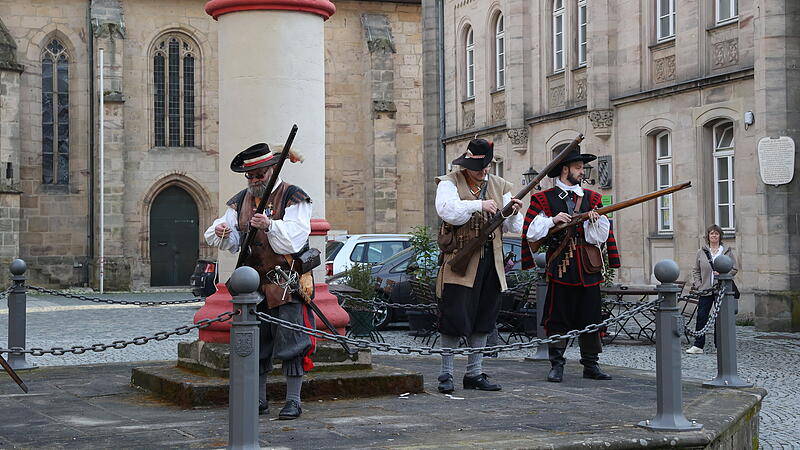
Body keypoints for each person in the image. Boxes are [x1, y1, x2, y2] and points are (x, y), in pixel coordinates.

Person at [204, 142, 314, 420]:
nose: (254, 180)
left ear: (272, 171)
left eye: (259, 175)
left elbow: (295, 238)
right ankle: (259, 399)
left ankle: (293, 400)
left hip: (285, 281)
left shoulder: (294, 197)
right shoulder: (240, 201)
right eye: (250, 176)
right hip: (253, 284)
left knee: (292, 341)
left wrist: (270, 225)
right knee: (257, 343)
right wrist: (222, 231)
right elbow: (232, 240)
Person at [520, 145, 619, 383]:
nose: (582, 171)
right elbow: (531, 232)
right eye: (578, 167)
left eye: (582, 167)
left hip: (587, 267)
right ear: (565, 170)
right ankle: (557, 364)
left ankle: (591, 365)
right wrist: (552, 220)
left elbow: (600, 237)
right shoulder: (543, 199)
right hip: (561, 268)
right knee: (558, 318)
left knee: (591, 316)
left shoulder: (593, 199)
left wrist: (593, 221)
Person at [434, 138, 524, 393]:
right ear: (466, 165)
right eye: (478, 167)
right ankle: (446, 374)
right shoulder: (449, 182)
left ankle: (474, 373)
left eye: (486, 166)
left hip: (491, 262)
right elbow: (448, 212)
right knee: (453, 318)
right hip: (459, 261)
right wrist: (479, 204)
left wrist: (513, 212)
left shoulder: (499, 185)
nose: (483, 171)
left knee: (484, 317)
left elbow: (515, 227)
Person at [686, 224, 738, 354]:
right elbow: (696, 270)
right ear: (708, 236)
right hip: (705, 289)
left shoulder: (726, 251)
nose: (714, 236)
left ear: (720, 236)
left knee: (719, 318)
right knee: (701, 316)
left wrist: (723, 274)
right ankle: (698, 345)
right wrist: (699, 285)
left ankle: (719, 345)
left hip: (721, 290)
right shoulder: (701, 252)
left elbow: (734, 268)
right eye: (711, 233)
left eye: (716, 233)